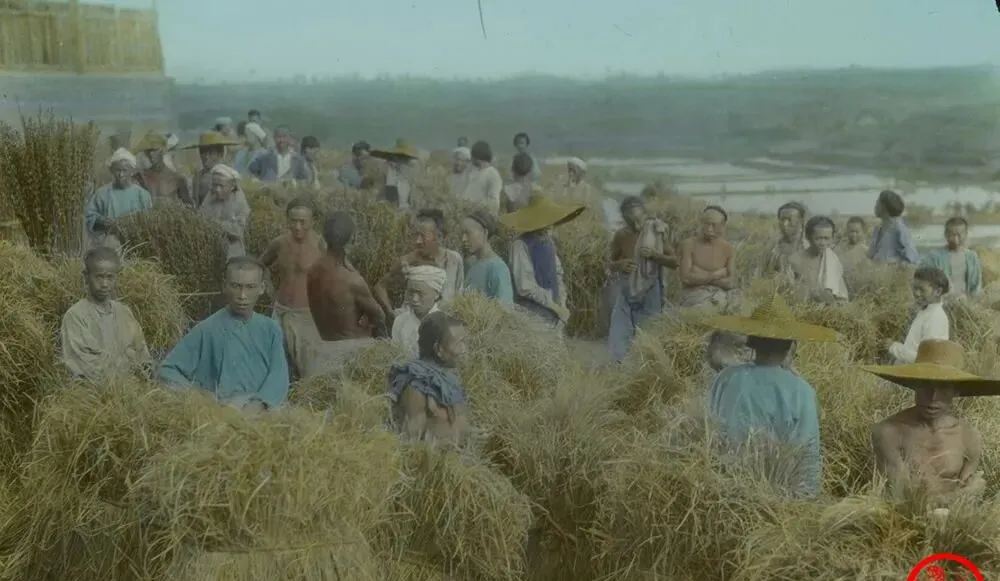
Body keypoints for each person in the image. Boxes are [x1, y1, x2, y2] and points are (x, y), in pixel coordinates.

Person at [704, 293, 837, 498]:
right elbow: (807, 454)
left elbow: (707, 430)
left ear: (752, 342)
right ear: (790, 346)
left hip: (724, 487)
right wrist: (807, 501)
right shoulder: (801, 391)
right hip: (776, 495)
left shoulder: (726, 378)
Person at [866, 339, 992, 501]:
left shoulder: (969, 437)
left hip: (953, 517)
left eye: (943, 387)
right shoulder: (888, 433)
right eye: (926, 385)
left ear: (956, 391)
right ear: (915, 385)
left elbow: (965, 506)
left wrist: (968, 494)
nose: (933, 397)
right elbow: (904, 500)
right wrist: (967, 493)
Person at [159, 257, 289, 412]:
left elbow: (279, 375)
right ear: (224, 286)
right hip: (220, 411)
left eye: (250, 287)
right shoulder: (207, 329)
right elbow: (167, 370)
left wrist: (260, 404)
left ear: (262, 288)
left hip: (263, 411)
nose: (242, 295)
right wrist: (199, 395)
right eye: (236, 286)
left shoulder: (270, 329)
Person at [305, 212, 388, 376]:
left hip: (322, 349)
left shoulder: (312, 271)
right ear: (352, 239)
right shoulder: (352, 280)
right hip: (351, 354)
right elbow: (380, 317)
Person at [60, 247, 151, 381]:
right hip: (94, 391)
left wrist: (144, 369)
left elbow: (142, 355)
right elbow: (88, 366)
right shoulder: (76, 316)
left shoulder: (124, 312)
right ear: (86, 277)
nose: (104, 284)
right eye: (99, 277)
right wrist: (128, 362)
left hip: (131, 388)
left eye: (110, 277)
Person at [259, 197, 326, 379]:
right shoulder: (279, 243)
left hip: (306, 315)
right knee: (277, 362)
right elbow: (260, 265)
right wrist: (268, 285)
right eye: (293, 221)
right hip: (280, 310)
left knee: (308, 368)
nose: (297, 227)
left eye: (302, 222)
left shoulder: (321, 245)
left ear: (312, 221)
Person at [607, 196, 676, 362]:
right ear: (624, 218)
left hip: (650, 289)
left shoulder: (657, 232)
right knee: (620, 332)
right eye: (631, 220)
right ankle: (621, 365)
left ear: (644, 214)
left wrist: (655, 255)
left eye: (639, 218)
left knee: (649, 331)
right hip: (627, 289)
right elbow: (609, 264)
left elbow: (674, 262)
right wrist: (620, 264)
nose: (637, 224)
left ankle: (646, 364)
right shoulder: (621, 236)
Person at [501, 194, 584, 331]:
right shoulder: (520, 245)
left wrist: (562, 305)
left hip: (554, 317)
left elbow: (558, 274)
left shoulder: (549, 242)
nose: (549, 225)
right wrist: (554, 306)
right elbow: (525, 287)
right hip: (531, 318)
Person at [387, 311, 471, 445]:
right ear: (439, 349)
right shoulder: (416, 387)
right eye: (459, 343)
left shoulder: (447, 379)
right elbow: (411, 442)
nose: (464, 349)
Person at [374, 209, 465, 317]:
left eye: (423, 236)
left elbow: (459, 295)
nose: (418, 241)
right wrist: (391, 315)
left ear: (440, 236)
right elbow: (380, 287)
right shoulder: (408, 262)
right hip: (412, 323)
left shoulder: (454, 260)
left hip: (443, 323)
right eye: (416, 235)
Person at [84, 148, 153, 253]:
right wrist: (102, 221)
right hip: (108, 246)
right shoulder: (102, 194)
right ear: (112, 170)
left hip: (136, 244)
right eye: (117, 170)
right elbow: (88, 216)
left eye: (124, 170)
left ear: (131, 171)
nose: (121, 175)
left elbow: (149, 222)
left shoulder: (142, 195)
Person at [886, 266, 950, 364]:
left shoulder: (935, 318)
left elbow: (926, 360)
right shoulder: (925, 312)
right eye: (915, 288)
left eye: (922, 289)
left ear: (938, 291)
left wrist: (894, 347)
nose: (917, 293)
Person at [678, 206, 736, 309]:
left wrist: (699, 274)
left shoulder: (728, 249)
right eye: (706, 224)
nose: (709, 229)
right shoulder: (688, 245)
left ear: (723, 226)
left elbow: (730, 283)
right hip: (693, 297)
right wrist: (715, 275)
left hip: (719, 296)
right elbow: (686, 278)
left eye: (714, 225)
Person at [787, 215, 849, 303]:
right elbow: (790, 289)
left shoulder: (832, 261)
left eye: (826, 238)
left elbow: (838, 291)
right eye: (818, 238)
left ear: (832, 238)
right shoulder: (795, 260)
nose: (822, 243)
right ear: (808, 237)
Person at [392, 265, 447, 358]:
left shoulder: (446, 325)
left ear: (437, 294)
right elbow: (395, 356)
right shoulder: (400, 322)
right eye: (411, 292)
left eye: (421, 293)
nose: (414, 299)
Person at [920, 216, 982, 298]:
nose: (955, 239)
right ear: (945, 234)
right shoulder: (934, 257)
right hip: (942, 301)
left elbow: (976, 286)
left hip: (965, 302)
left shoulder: (972, 257)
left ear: (966, 234)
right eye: (951, 235)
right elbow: (924, 280)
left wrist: (971, 302)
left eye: (959, 235)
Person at [199, 164, 250, 260]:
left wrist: (216, 224)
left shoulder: (239, 203)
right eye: (215, 185)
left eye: (221, 186)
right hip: (210, 246)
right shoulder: (210, 197)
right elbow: (200, 218)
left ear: (232, 186)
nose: (217, 189)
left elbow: (238, 231)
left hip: (232, 250)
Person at [461, 210, 513, 303]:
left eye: (468, 233)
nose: (463, 239)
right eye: (462, 234)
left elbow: (505, 308)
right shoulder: (470, 264)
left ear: (485, 232)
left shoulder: (498, 268)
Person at [180, 131, 243, 207]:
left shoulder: (228, 176)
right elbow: (196, 203)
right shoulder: (198, 176)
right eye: (203, 152)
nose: (206, 157)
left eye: (211, 153)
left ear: (220, 154)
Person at [133, 131, 192, 207]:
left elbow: (189, 206)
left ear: (163, 150)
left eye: (154, 150)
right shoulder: (141, 178)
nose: (151, 154)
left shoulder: (177, 179)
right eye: (148, 151)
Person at [869, 189, 920, 265]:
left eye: (877, 202)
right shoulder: (878, 230)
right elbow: (871, 255)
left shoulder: (899, 229)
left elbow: (913, 259)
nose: (875, 206)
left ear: (884, 207)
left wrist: (893, 264)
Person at [371, 139, 422, 210]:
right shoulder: (388, 172)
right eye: (391, 159)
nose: (391, 162)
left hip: (403, 208)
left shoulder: (409, 177)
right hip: (391, 207)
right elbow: (379, 191)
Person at [765, 202, 808, 276]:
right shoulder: (772, 247)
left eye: (790, 219)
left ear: (801, 221)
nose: (785, 224)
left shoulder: (810, 246)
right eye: (782, 220)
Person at [462, 140, 504, 213]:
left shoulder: (493, 174)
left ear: (477, 157)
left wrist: (474, 206)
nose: (471, 159)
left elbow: (494, 202)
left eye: (472, 156)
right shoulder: (474, 172)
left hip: (481, 216)